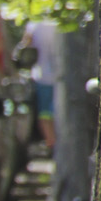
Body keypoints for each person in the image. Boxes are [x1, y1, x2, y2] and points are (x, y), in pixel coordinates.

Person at [20, 18, 60, 150]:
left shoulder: (34, 25)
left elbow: (24, 47)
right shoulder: (61, 23)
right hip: (61, 76)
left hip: (42, 76)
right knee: (58, 111)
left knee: (45, 113)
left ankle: (52, 144)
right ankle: (60, 143)